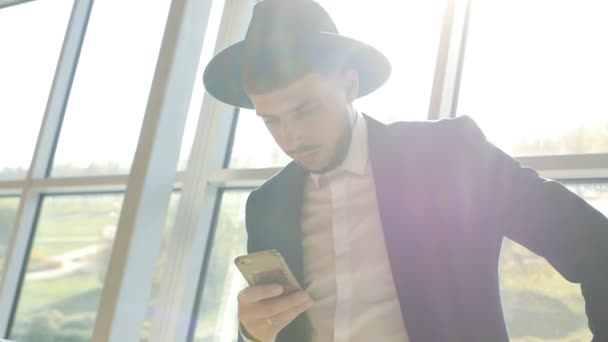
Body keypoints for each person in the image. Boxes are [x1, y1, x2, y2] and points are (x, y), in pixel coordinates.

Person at [203, 1, 608, 341]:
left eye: (306, 110)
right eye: (270, 120)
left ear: (349, 86)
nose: (290, 138)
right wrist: (253, 332)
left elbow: (596, 247)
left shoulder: (448, 156)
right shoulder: (266, 204)